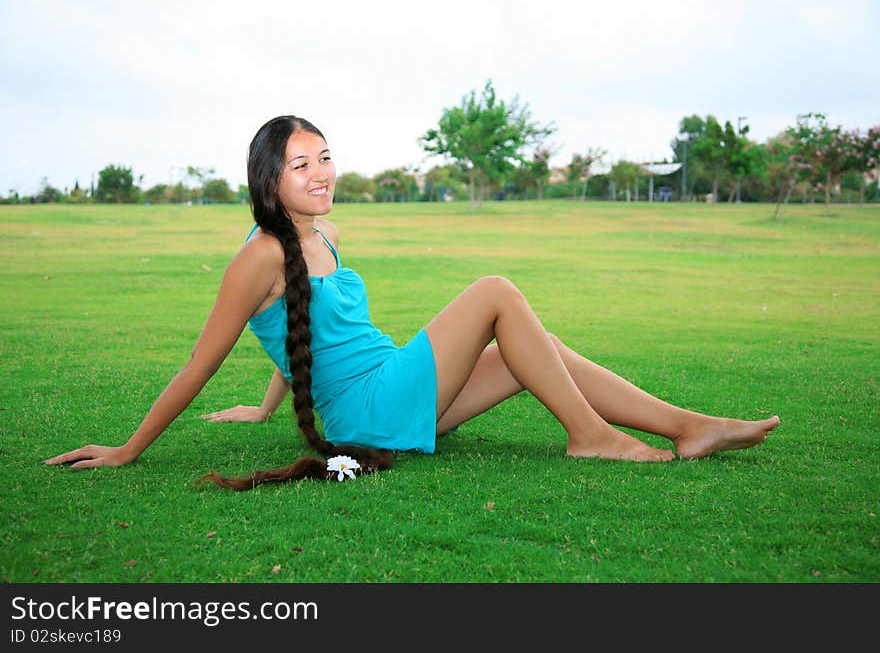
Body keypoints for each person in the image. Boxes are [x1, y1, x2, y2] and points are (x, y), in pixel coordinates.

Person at [44, 115, 781, 489]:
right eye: (300, 165)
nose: (320, 172)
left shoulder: (325, 231)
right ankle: (592, 436)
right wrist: (128, 449)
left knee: (522, 348)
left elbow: (304, 331)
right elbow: (198, 364)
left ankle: (690, 426)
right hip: (369, 411)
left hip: (387, 390)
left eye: (325, 156)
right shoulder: (257, 256)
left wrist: (267, 408)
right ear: (269, 181)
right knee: (495, 292)